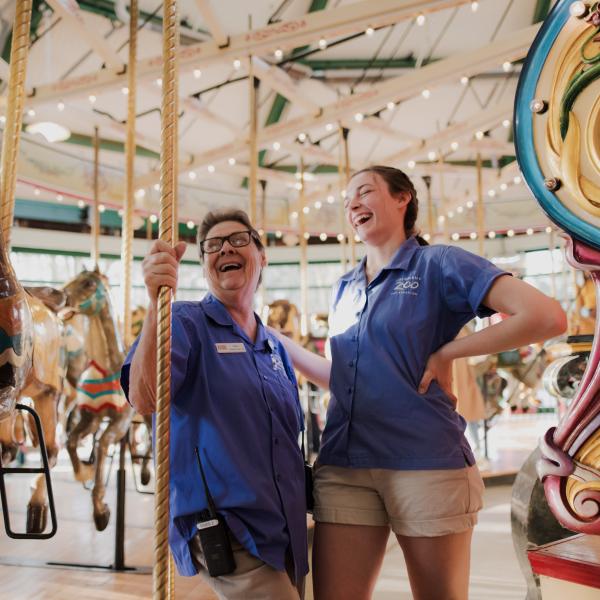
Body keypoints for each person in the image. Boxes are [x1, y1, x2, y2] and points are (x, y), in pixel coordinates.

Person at [272, 165, 567, 600]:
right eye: (347, 199)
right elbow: (345, 377)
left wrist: (450, 352)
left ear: (402, 198)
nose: (353, 204)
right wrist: (276, 342)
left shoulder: (438, 264)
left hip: (425, 462)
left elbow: (546, 316)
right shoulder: (345, 288)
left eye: (365, 192)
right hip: (345, 465)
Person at [120, 209, 308, 600]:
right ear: (205, 265)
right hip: (231, 529)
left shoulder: (274, 348)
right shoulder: (185, 322)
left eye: (238, 239)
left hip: (285, 530)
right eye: (212, 245)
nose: (225, 248)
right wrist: (156, 306)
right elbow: (144, 397)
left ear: (262, 256)